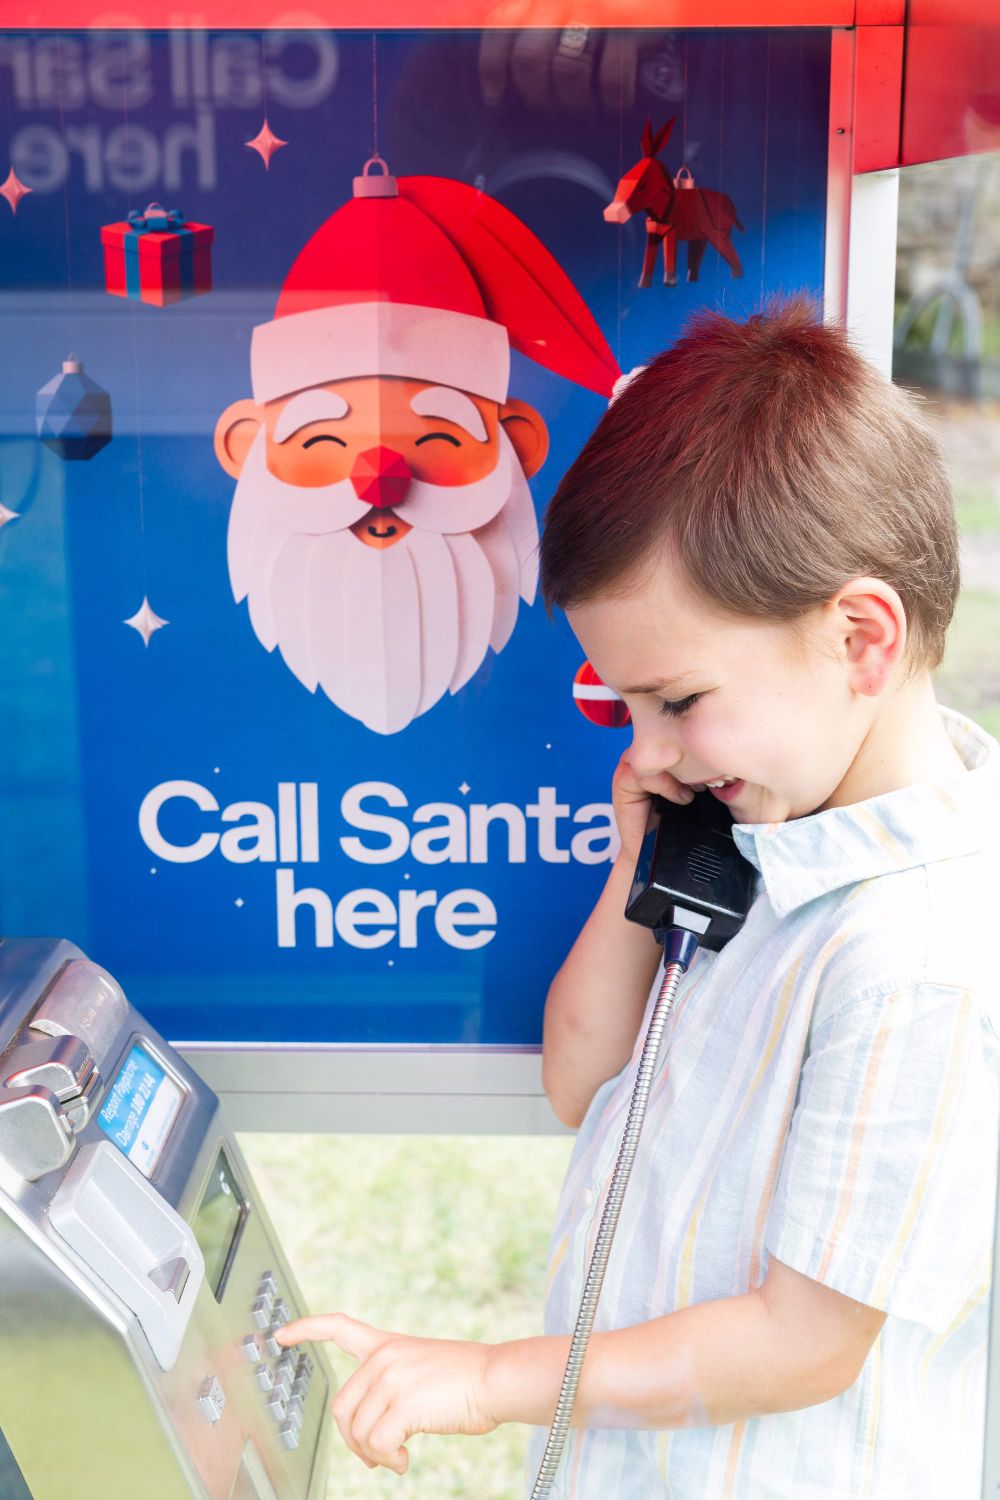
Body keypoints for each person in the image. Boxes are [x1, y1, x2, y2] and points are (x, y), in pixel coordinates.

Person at [276, 299, 1000, 1498]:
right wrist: (639, 867)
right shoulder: (765, 832)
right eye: (627, 710)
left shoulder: (915, 957)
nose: (648, 751)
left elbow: (804, 1343)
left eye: (676, 702)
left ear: (860, 640)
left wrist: (488, 1379)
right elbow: (580, 1080)